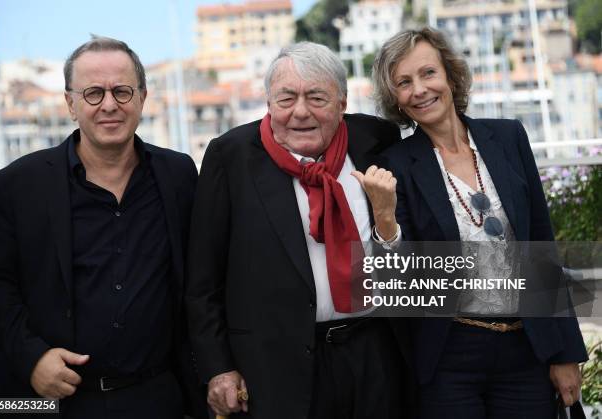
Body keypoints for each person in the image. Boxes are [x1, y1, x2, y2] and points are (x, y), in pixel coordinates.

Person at [186, 42, 415, 419]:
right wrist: (217, 367)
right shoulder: (231, 157)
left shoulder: (377, 140)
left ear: (342, 103)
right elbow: (203, 280)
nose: (301, 112)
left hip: (375, 354)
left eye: (317, 97)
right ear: (269, 103)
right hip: (275, 368)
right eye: (286, 98)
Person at [371, 27, 588, 418]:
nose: (419, 89)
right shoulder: (395, 165)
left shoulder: (509, 137)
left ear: (450, 77)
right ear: (397, 100)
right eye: (404, 83)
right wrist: (384, 218)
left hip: (528, 348)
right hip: (449, 356)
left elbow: (542, 245)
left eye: (428, 74)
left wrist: (566, 352)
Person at [0, 36, 206, 419]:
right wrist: (31, 358)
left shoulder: (179, 175)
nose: (109, 105)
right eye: (93, 93)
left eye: (122, 91)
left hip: (157, 398)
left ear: (142, 97)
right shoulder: (15, 184)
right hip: (45, 402)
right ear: (70, 104)